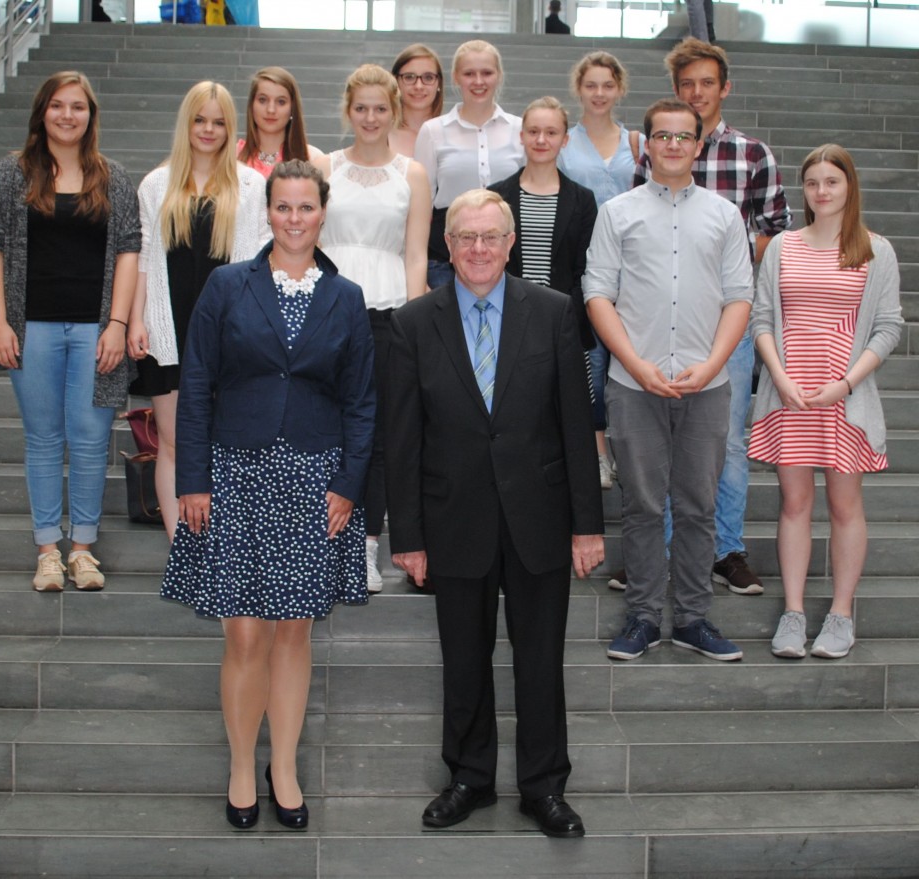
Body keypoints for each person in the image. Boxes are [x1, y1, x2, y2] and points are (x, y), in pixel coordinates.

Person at [160, 160, 376, 830]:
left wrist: (348, 482)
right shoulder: (228, 286)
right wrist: (192, 478)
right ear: (268, 212)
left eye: (305, 207)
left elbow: (362, 401)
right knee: (245, 636)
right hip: (234, 476)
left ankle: (283, 767)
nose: (293, 218)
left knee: (292, 633)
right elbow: (195, 387)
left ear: (322, 211)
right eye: (282, 207)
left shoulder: (347, 296)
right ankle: (239, 766)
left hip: (315, 481)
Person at [386, 189, 604, 838]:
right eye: (465, 237)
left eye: (490, 237)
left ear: (511, 245)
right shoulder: (412, 323)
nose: (478, 249)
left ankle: (544, 787)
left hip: (539, 514)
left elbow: (575, 424)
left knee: (541, 660)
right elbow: (401, 439)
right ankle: (469, 777)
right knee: (463, 658)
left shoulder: (556, 313)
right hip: (453, 518)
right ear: (446, 246)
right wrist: (409, 534)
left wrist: (588, 525)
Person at [584, 99, 753, 662]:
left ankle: (694, 619)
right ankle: (642, 617)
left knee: (699, 505)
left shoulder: (725, 216)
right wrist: (634, 363)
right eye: (663, 136)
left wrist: (712, 365)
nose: (674, 145)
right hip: (635, 385)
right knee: (643, 507)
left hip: (705, 385)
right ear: (648, 144)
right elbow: (597, 294)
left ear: (699, 146)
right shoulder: (618, 213)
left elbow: (739, 299)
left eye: (685, 137)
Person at [633, 38, 791, 597]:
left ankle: (725, 548)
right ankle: (667, 548)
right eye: (686, 85)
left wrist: (734, 285)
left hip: (730, 318)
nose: (696, 93)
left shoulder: (752, 153)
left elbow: (773, 228)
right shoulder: (655, 150)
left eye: (706, 83)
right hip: (662, 318)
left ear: (725, 87)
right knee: (665, 432)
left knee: (723, 438)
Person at [0, 71, 141, 592]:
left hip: (96, 328)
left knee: (92, 440)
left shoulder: (113, 178)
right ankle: (49, 550)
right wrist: (0, 322)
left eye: (78, 106)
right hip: (33, 330)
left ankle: (84, 550)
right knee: (44, 440)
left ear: (91, 115)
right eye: (57, 105)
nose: (67, 115)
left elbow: (129, 253)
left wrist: (117, 324)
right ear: (42, 112)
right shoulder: (10, 175)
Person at [749, 145, 903, 660]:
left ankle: (840, 613)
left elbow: (887, 328)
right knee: (794, 503)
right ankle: (793, 613)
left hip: (844, 394)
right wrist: (778, 374)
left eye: (831, 181)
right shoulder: (783, 247)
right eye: (812, 182)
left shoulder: (874, 249)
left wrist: (847, 383)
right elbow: (762, 319)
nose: (821, 191)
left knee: (843, 504)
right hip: (791, 391)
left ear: (848, 187)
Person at [127, 81, 271, 540]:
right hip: (169, 333)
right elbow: (145, 258)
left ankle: (225, 543)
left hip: (229, 338)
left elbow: (259, 266)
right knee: (171, 441)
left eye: (219, 121)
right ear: (186, 123)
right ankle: (182, 549)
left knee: (225, 444)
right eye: (199, 119)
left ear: (232, 128)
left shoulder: (252, 185)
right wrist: (135, 320)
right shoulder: (156, 184)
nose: (208, 130)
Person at [313, 64, 430, 593]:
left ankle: (365, 546)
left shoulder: (413, 173)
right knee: (324, 430)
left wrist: (413, 322)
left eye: (380, 108)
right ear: (347, 109)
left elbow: (416, 254)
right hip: (326, 312)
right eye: (360, 108)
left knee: (379, 436)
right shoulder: (324, 165)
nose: (370, 117)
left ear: (394, 111)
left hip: (387, 314)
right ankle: (321, 543)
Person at [558, 51, 645, 491]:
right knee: (590, 362)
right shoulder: (565, 143)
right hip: (585, 264)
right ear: (579, 88)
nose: (599, 93)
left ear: (619, 89)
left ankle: (633, 454)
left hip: (634, 267)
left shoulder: (638, 144)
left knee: (630, 365)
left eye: (607, 85)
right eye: (590, 85)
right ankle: (596, 454)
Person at [487, 95, 597, 406]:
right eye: (533, 131)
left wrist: (566, 325)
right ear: (521, 136)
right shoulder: (496, 195)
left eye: (551, 132)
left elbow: (582, 272)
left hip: (562, 326)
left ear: (565, 139)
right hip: (505, 322)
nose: (541, 139)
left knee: (568, 412)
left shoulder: (582, 200)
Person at [414, 40, 522, 290]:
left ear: (499, 75)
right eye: (469, 73)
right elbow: (420, 207)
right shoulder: (433, 131)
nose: (478, 81)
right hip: (445, 262)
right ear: (455, 78)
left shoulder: (520, 130)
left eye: (486, 73)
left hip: (506, 258)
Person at [237, 66, 323, 179]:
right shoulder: (231, 157)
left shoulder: (314, 159)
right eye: (263, 100)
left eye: (281, 102)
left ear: (292, 108)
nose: (271, 110)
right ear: (251, 105)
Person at [389, 44, 444, 158]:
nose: (419, 86)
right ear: (395, 82)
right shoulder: (380, 135)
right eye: (409, 77)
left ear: (439, 83)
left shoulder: (452, 134)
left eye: (428, 77)